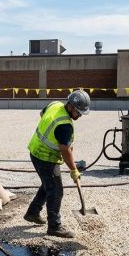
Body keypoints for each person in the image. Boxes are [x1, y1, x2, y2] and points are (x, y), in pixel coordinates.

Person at [24, 89, 90, 238]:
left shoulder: (55, 104)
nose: (79, 115)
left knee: (48, 184)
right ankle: (54, 226)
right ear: (71, 107)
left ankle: (33, 212)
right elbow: (65, 151)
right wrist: (74, 170)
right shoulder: (65, 125)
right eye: (78, 112)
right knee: (56, 191)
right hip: (45, 157)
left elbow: (42, 114)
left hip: (35, 150)